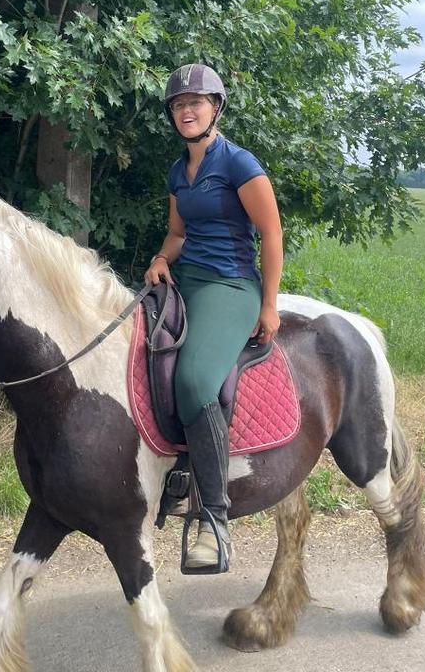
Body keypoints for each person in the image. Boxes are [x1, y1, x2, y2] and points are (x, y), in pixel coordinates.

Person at [144, 64, 283, 572]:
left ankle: (214, 519)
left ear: (215, 108)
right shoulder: (178, 170)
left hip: (230, 286)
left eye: (195, 103)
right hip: (186, 281)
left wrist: (269, 303)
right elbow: (178, 233)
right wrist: (162, 258)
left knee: (197, 381)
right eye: (179, 105)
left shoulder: (239, 164)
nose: (187, 111)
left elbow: (271, 233)